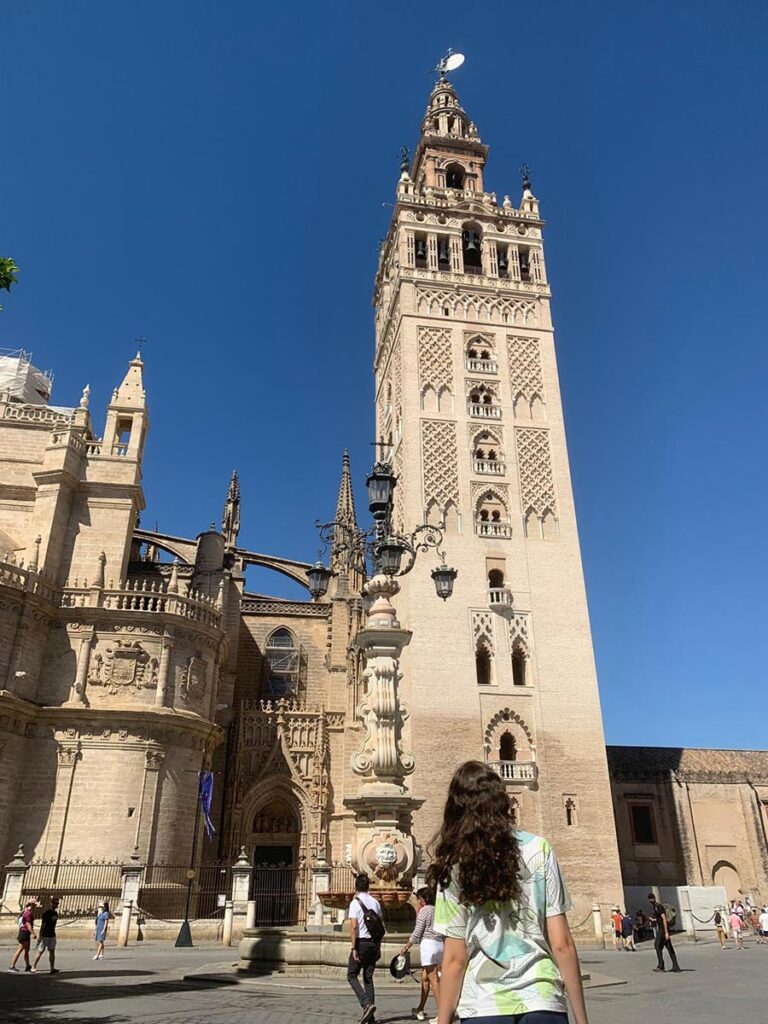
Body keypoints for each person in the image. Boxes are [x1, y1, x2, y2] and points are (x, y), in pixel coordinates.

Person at [430, 760, 591, 1024]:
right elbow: (562, 945)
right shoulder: (540, 849)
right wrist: (582, 1020)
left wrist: (443, 1021)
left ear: (456, 808)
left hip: (484, 1007)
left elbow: (455, 959)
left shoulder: (455, 864)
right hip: (543, 1001)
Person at [399, 887, 443, 1022]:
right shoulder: (439, 909)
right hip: (440, 945)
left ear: (424, 899)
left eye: (419, 898)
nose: (417, 901)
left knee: (434, 980)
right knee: (425, 978)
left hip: (429, 945)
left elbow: (418, 931)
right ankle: (420, 1008)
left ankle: (443, 1014)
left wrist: (406, 946)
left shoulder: (424, 910)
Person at [347, 874, 383, 1024]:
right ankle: (371, 1018)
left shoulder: (355, 903)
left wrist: (353, 947)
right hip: (374, 943)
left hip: (361, 943)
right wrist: (378, 946)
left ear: (356, 886)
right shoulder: (375, 902)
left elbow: (354, 926)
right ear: (368, 886)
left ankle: (366, 1003)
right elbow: (380, 926)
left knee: (351, 975)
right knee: (368, 978)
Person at [647, 894, 681, 973]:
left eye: (651, 898)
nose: (650, 900)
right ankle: (676, 966)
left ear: (654, 898)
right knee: (669, 947)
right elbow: (658, 918)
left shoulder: (659, 907)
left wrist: (666, 932)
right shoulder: (655, 907)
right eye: (649, 899)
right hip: (663, 929)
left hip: (663, 930)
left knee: (657, 945)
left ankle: (661, 965)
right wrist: (652, 920)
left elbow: (664, 918)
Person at [32, 897, 60, 974]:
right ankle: (33, 966)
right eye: (55, 903)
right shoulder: (47, 913)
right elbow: (43, 925)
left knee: (52, 951)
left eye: (57, 903)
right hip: (45, 935)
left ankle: (52, 968)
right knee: (40, 951)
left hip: (52, 934)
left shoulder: (55, 913)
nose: (56, 905)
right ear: (51, 903)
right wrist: (40, 936)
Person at [9, 900, 37, 973]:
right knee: (20, 950)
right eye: (34, 905)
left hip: (25, 933)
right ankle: (12, 966)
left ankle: (28, 966)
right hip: (24, 933)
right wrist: (33, 933)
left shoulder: (24, 912)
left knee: (26, 950)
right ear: (31, 904)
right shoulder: (27, 913)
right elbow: (28, 925)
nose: (35, 906)